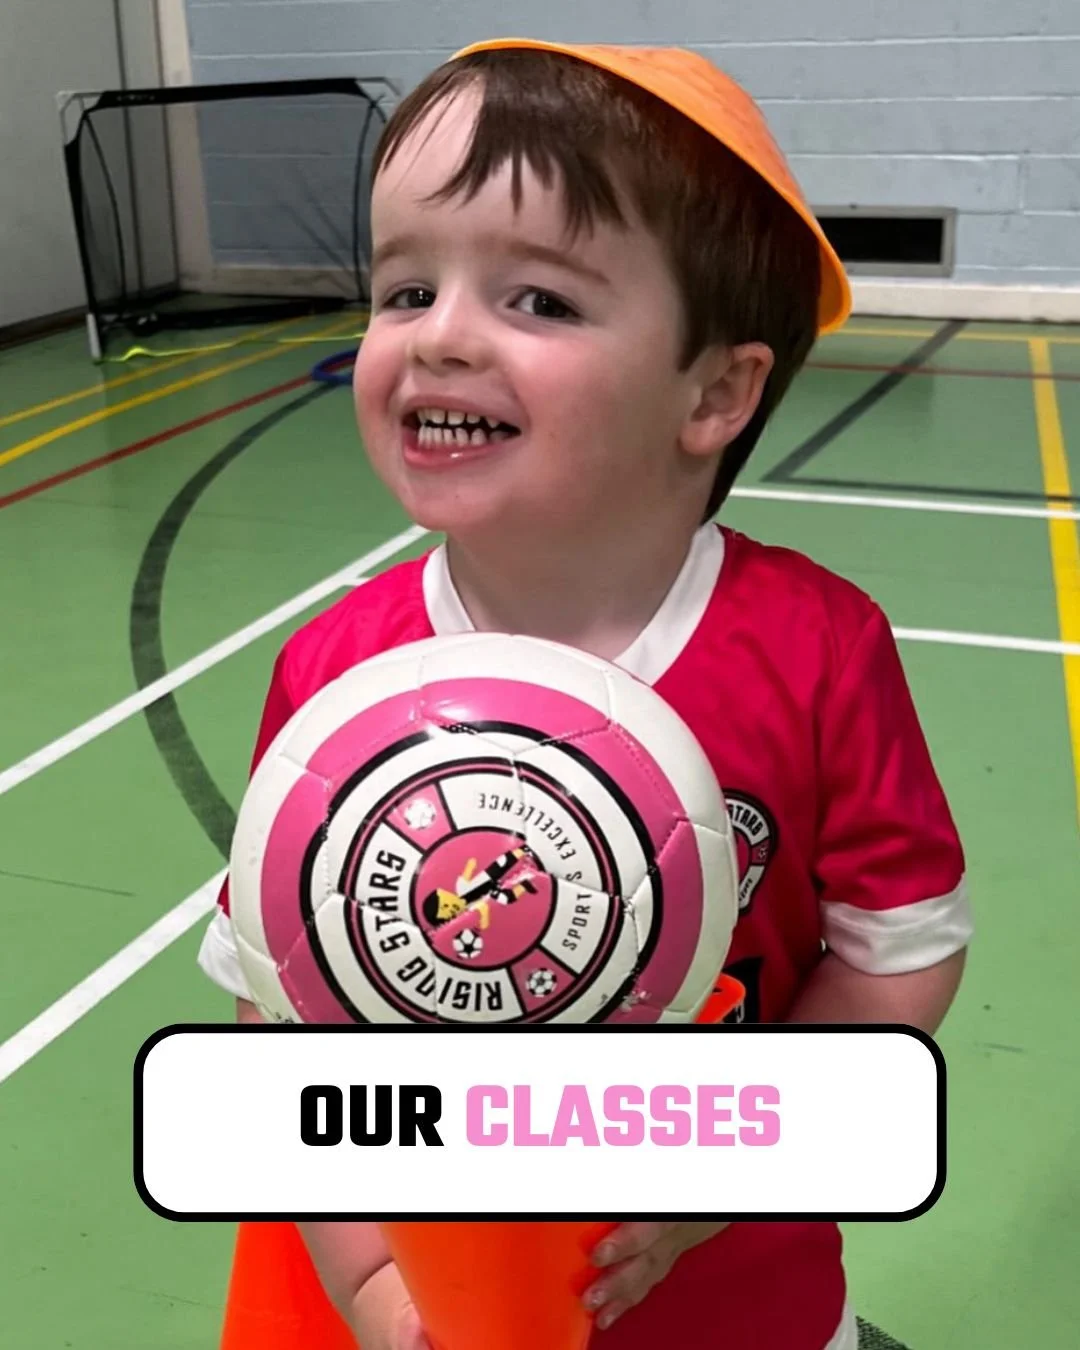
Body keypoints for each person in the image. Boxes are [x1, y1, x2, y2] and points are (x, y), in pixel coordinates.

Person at [197, 38, 972, 1350]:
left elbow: (900, 957)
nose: (438, 334)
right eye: (402, 287)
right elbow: (281, 1016)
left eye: (540, 301)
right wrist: (375, 1276)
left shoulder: (818, 647)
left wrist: (730, 1162)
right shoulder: (333, 672)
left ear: (716, 392)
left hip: (747, 1307)